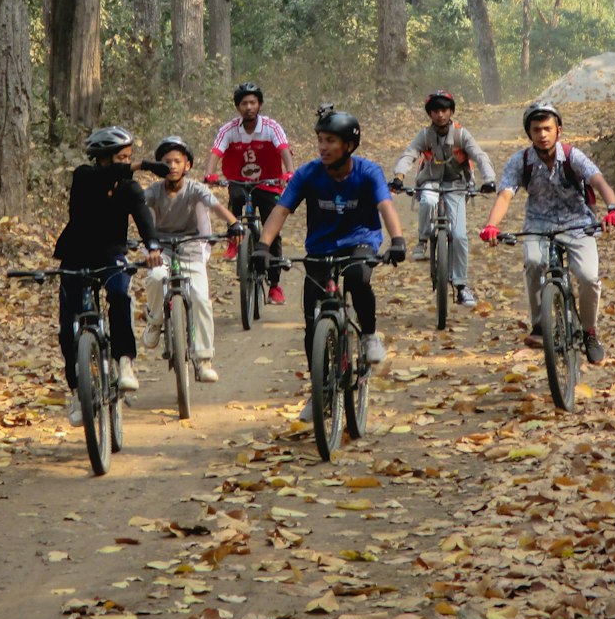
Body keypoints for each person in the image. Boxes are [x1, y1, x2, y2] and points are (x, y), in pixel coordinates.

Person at [255, 107, 406, 420]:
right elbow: (281, 211)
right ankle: (319, 391)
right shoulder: (308, 173)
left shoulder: (368, 171)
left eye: (331, 141)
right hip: (320, 247)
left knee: (358, 278)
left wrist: (398, 240)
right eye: (320, 140)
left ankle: (368, 336)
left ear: (349, 146)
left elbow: (385, 206)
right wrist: (262, 246)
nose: (323, 147)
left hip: (361, 240)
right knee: (312, 322)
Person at [479, 101, 615, 362]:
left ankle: (589, 332)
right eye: (536, 129)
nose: (542, 134)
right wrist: (492, 225)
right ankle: (539, 326)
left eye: (547, 128)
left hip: (578, 223)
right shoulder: (521, 161)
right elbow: (505, 196)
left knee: (588, 277)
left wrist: (612, 208)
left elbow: (598, 181)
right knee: (534, 263)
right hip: (538, 224)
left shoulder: (572, 156)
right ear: (529, 133)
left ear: (559, 130)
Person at [53, 126, 167, 425]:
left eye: (130, 157)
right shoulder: (84, 176)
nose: (127, 163)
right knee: (68, 329)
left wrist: (152, 245)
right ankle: (78, 392)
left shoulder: (129, 188)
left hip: (110, 253)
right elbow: (99, 178)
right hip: (75, 254)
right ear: (103, 158)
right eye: (121, 157)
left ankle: (124, 362)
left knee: (119, 295)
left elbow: (143, 216)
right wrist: (141, 164)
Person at [142, 136, 244, 384]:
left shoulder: (196, 189)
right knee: (156, 277)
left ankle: (203, 358)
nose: (173, 166)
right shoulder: (154, 192)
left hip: (192, 248)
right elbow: (138, 211)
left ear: (187, 165)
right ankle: (155, 321)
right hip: (160, 249)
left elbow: (216, 206)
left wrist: (233, 223)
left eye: (178, 161)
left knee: (200, 298)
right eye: (167, 162)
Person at [390, 89, 496, 307]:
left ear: (451, 112)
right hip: (430, 182)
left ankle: (461, 286)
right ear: (430, 114)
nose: (440, 115)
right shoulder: (425, 135)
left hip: (456, 185)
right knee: (427, 201)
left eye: (444, 110)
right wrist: (399, 177)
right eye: (436, 111)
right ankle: (422, 240)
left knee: (459, 236)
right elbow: (409, 154)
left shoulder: (461, 134)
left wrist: (489, 179)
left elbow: (479, 155)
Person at [203, 82, 295, 303]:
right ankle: (234, 239)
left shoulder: (271, 127)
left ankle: (274, 286)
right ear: (238, 107)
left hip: (268, 181)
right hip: (238, 180)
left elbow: (284, 149)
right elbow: (216, 151)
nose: (249, 107)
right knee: (234, 198)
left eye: (253, 102)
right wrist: (210, 174)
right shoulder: (229, 129)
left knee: (272, 230)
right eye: (244, 103)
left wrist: (290, 172)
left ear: (260, 104)